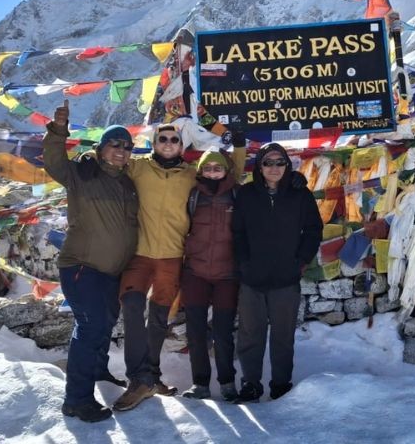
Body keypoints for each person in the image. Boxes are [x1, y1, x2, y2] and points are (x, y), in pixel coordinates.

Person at [43, 101, 138, 423]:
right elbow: (54, 163)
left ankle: (99, 372)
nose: (122, 151)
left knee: (105, 324)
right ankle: (77, 400)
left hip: (112, 271)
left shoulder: (128, 183)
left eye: (127, 146)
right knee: (90, 327)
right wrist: (58, 131)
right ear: (101, 149)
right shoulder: (83, 173)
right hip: (82, 267)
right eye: (115, 144)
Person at [113, 122, 195, 411]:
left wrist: (235, 147)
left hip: (172, 256)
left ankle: (152, 376)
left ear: (182, 146)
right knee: (132, 306)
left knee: (159, 318)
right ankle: (138, 379)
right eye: (163, 139)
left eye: (175, 139)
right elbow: (111, 163)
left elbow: (225, 177)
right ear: (154, 142)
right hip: (140, 254)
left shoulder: (191, 175)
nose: (169, 143)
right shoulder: (139, 168)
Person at [232, 143, 323, 402]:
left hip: (286, 277)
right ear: (259, 167)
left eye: (279, 162)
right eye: (268, 163)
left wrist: (301, 260)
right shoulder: (247, 194)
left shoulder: (299, 194)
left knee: (283, 336)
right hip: (253, 278)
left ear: (287, 165)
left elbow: (313, 229)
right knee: (250, 333)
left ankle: (281, 384)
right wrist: (244, 262)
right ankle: (250, 383)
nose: (274, 168)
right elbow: (237, 232)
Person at [179, 145, 244, 402]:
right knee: (195, 331)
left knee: (223, 331)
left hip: (227, 274)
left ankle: (227, 382)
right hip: (195, 272)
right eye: (207, 168)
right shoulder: (194, 195)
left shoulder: (238, 196)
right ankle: (200, 383)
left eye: (218, 168)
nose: (213, 172)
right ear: (201, 170)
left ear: (226, 170)